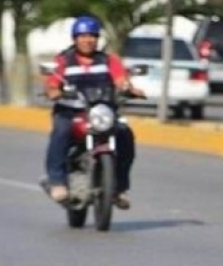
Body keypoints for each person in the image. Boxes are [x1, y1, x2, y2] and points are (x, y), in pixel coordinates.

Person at [43, 15, 146, 208]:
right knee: (61, 132)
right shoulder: (64, 60)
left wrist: (128, 88)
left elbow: (120, 79)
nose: (87, 40)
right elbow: (52, 82)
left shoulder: (108, 60)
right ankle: (57, 181)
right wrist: (54, 91)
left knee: (125, 136)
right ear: (75, 38)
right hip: (71, 112)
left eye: (92, 36)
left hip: (101, 112)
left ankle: (119, 188)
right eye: (82, 36)